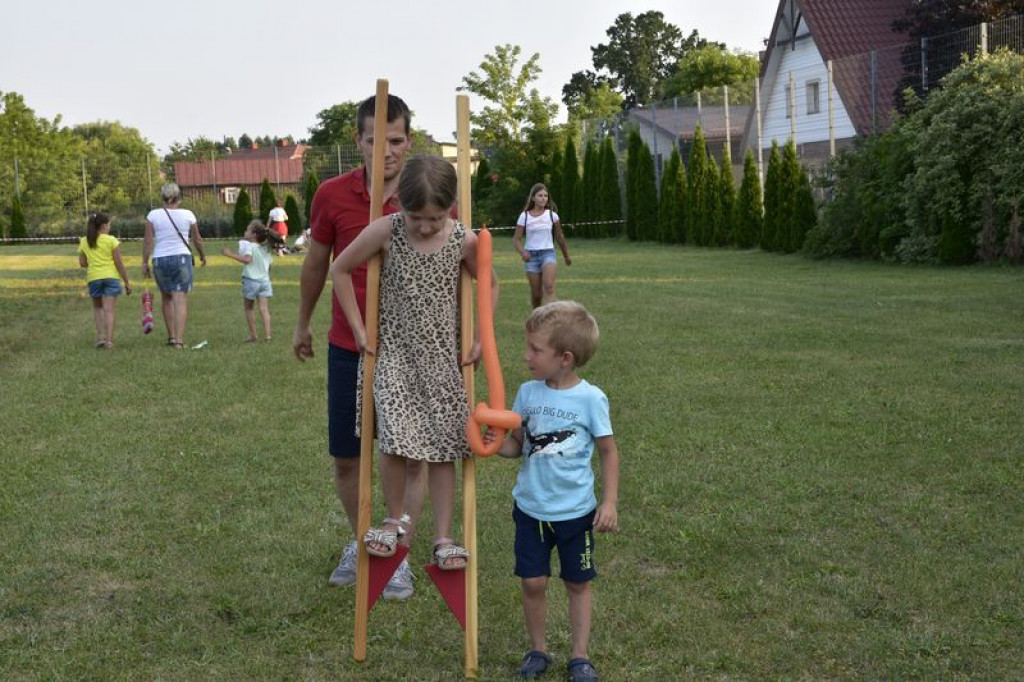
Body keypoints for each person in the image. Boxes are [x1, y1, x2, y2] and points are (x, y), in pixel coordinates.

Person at [331, 154, 497, 575]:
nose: (424, 226)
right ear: (401, 206)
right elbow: (340, 268)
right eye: (416, 216)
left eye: (435, 218)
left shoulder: (462, 239)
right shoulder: (387, 231)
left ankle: (443, 537)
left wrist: (481, 335)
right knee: (393, 439)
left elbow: (490, 283)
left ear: (450, 209)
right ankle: (394, 519)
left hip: (444, 361)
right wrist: (358, 327)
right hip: (396, 359)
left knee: (445, 449)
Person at [293, 93, 427, 600]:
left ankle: (396, 552)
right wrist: (302, 323)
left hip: (411, 349)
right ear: (359, 140)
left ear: (408, 141)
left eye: (395, 141)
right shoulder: (331, 195)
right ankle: (362, 541)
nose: (386, 151)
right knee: (348, 458)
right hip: (349, 346)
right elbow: (317, 264)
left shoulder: (429, 194)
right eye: (375, 140)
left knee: (407, 456)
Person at [484, 300, 619, 682]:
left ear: (565, 357)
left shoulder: (590, 399)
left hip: (576, 512)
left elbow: (608, 452)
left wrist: (609, 502)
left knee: (577, 582)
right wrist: (493, 444)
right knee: (532, 581)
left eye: (534, 350)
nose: (526, 356)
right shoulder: (528, 393)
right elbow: (517, 446)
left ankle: (580, 656)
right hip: (531, 509)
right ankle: (538, 650)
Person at [142, 183, 206, 348]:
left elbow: (148, 241)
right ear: (178, 197)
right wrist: (202, 255)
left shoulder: (153, 215)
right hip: (182, 259)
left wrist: (144, 262)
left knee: (166, 297)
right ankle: (179, 340)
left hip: (160, 259)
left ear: (162, 197)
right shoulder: (188, 214)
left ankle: (171, 336)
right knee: (180, 298)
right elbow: (197, 239)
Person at [221, 219, 284, 343]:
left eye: (248, 230)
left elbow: (247, 260)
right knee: (264, 308)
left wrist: (229, 254)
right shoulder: (265, 249)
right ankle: (268, 336)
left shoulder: (248, 246)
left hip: (251, 281)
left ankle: (253, 335)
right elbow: (269, 266)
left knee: (249, 308)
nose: (245, 231)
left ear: (254, 234)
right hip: (264, 282)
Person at [77, 212, 132, 349]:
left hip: (94, 278)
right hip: (111, 277)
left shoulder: (84, 241)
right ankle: (109, 341)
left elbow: (83, 263)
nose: (109, 227)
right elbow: (119, 263)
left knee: (98, 307)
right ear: (103, 226)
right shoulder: (111, 240)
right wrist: (126, 282)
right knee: (109, 310)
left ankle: (100, 336)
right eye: (109, 225)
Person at [513, 183, 572, 309]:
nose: (543, 198)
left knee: (549, 287)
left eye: (545, 196)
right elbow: (516, 240)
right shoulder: (525, 216)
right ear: (533, 198)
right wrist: (523, 252)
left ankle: (554, 319)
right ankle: (537, 317)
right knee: (536, 295)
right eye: (540, 195)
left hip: (548, 254)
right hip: (531, 257)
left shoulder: (552, 216)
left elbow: (559, 237)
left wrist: (566, 256)